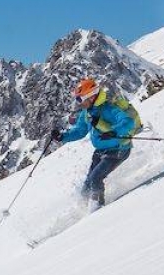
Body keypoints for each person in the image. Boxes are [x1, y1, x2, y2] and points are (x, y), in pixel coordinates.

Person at [50, 77, 141, 207]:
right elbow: (80, 131)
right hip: (100, 151)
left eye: (80, 98)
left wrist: (114, 131)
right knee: (86, 187)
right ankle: (82, 210)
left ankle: (97, 211)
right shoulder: (87, 112)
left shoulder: (108, 108)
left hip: (118, 150)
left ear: (91, 96)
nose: (78, 102)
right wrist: (62, 137)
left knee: (95, 179)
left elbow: (128, 122)